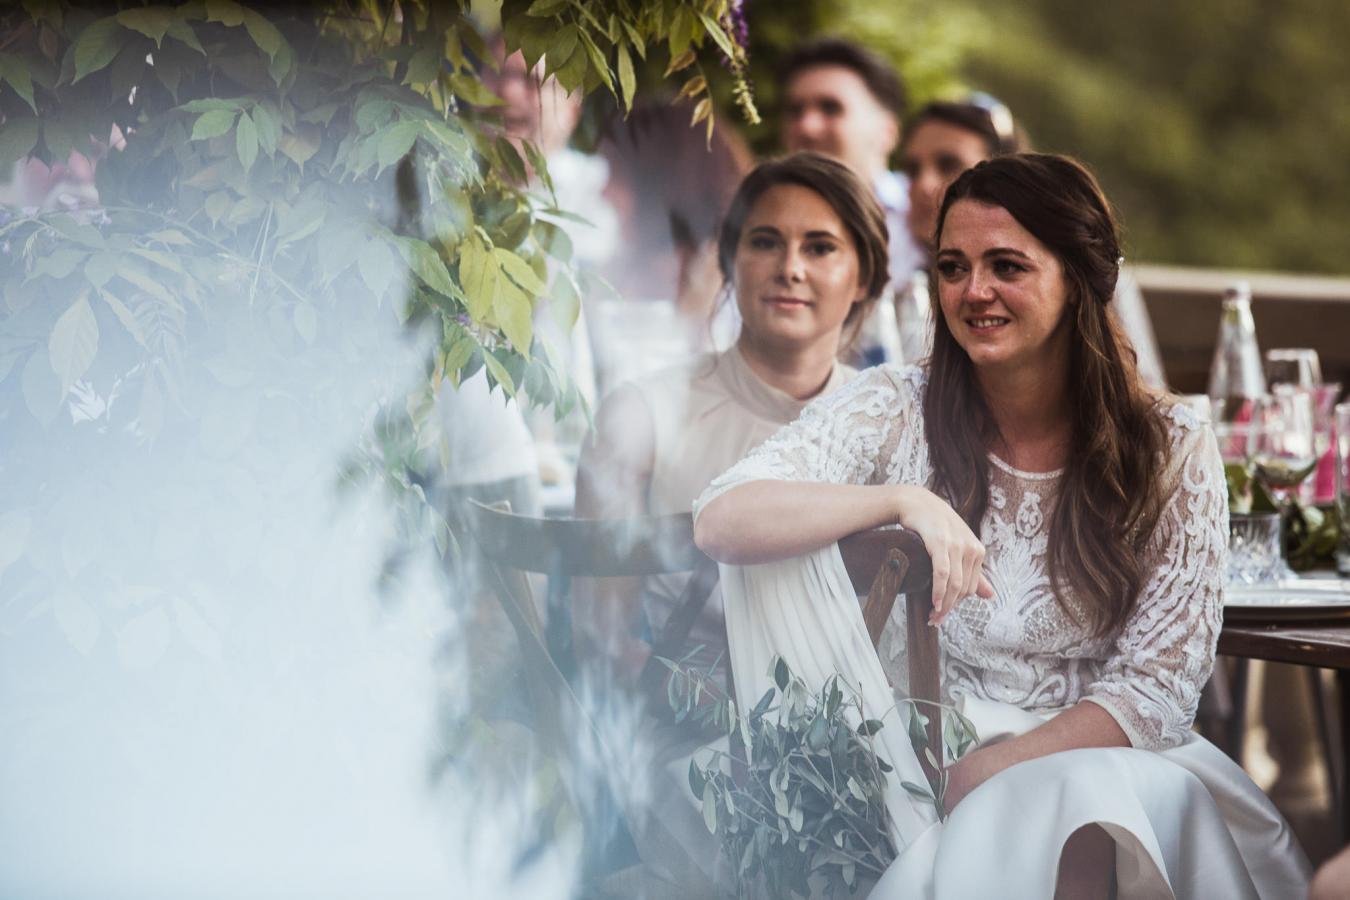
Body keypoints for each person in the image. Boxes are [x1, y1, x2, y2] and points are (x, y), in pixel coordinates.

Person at [693, 154, 1309, 897]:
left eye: (1006, 266)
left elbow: (1154, 691)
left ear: (1079, 278)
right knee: (1071, 803)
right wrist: (902, 501)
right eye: (952, 267)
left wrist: (983, 774)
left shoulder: (1173, 444)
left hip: (1107, 749)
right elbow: (724, 515)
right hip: (918, 761)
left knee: (1086, 799)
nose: (973, 291)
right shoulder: (896, 406)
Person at [573, 151, 885, 684]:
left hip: (860, 734)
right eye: (765, 242)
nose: (790, 268)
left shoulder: (890, 422)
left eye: (820, 247)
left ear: (863, 279)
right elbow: (601, 635)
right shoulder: (641, 415)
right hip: (684, 732)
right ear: (729, 260)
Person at [900, 97, 1167, 385]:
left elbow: (1142, 388)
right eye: (952, 268)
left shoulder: (1097, 278)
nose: (923, 185)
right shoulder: (891, 276)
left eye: (948, 165)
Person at [590, 100, 754, 391]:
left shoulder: (735, 297)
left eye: (616, 174)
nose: (603, 191)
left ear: (659, 182)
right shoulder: (603, 275)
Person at [778, 37, 923, 365]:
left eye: (831, 108)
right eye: (794, 110)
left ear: (887, 131)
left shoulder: (925, 216)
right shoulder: (752, 222)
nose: (806, 126)